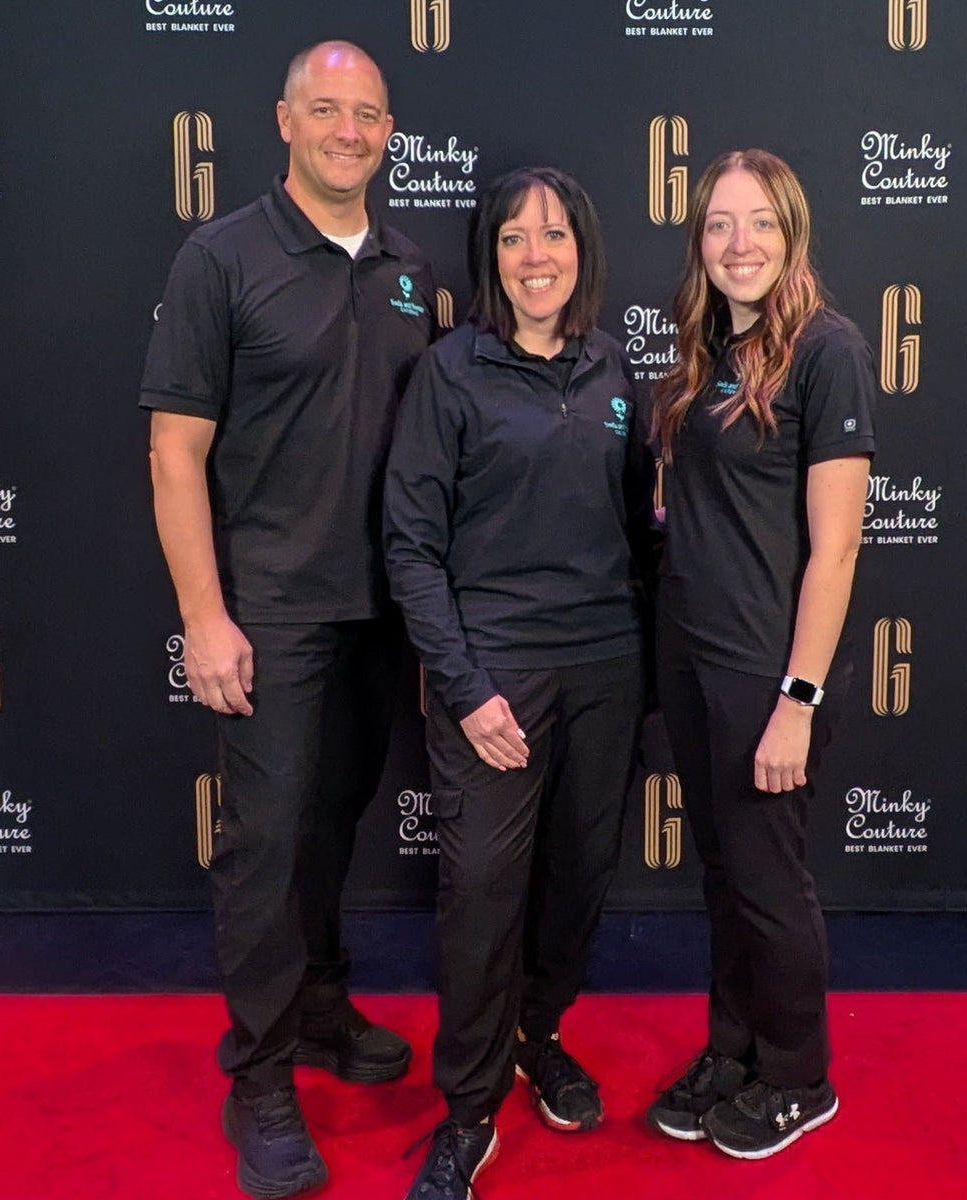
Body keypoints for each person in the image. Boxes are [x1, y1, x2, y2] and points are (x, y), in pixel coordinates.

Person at [140, 41, 435, 1200]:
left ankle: (317, 1005)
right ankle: (258, 1074)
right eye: (326, 109)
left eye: (366, 113)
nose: (348, 130)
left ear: (387, 127)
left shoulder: (412, 263)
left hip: (380, 610)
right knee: (264, 847)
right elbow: (174, 453)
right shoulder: (221, 258)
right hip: (267, 613)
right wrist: (204, 619)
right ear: (284, 121)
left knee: (332, 821)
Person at [384, 167, 655, 1200]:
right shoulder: (451, 372)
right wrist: (465, 686)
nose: (535, 255)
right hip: (493, 674)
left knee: (579, 877)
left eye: (554, 236)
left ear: (583, 250)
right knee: (483, 894)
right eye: (512, 238)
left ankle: (540, 1033)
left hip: (606, 670)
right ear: (488, 256)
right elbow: (409, 544)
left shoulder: (618, 373)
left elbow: (640, 532)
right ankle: (466, 1109)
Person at [645, 149, 876, 1159]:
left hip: (764, 671)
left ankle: (797, 1072)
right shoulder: (703, 348)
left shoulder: (829, 349)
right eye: (719, 225)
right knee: (723, 874)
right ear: (699, 242)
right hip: (691, 661)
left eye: (760, 225)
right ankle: (732, 1048)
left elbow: (836, 549)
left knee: (770, 879)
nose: (740, 245)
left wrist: (799, 697)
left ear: (793, 235)